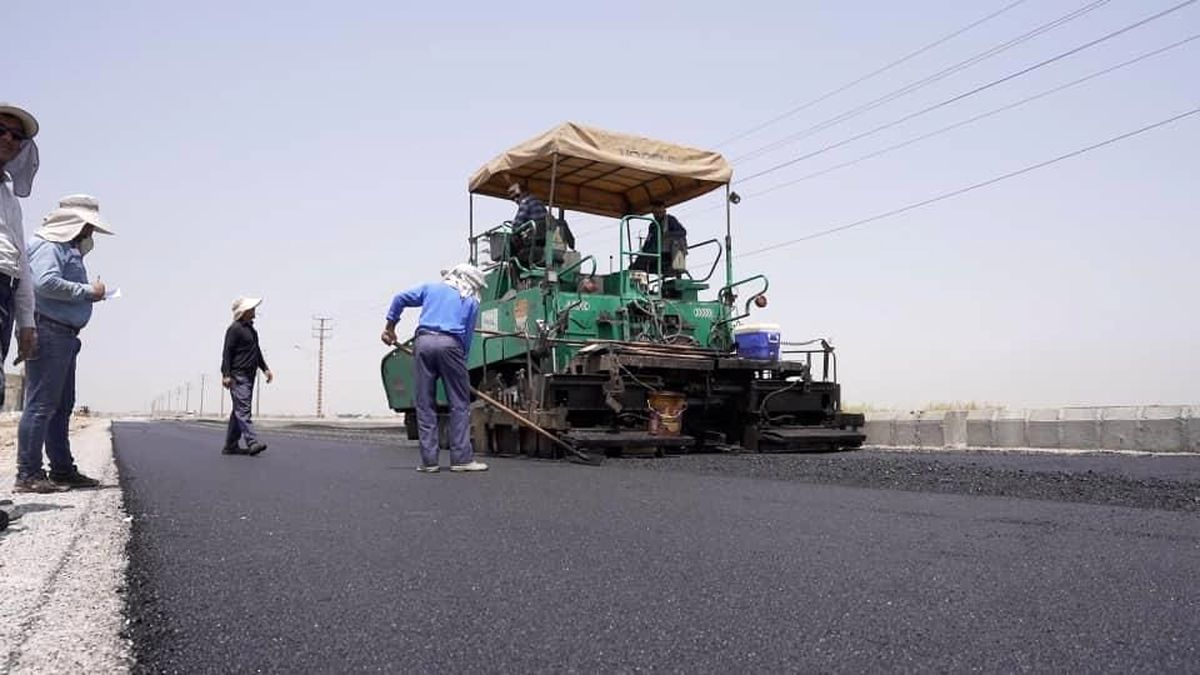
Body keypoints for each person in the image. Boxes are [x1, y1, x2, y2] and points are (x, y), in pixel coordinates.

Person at [15, 195, 115, 492]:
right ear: (76, 223)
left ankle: (61, 469)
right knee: (41, 405)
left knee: (62, 406)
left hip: (65, 334)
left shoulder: (67, 248)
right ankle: (28, 473)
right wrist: (89, 291)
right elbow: (44, 282)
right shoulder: (50, 245)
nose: (90, 233)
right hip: (49, 331)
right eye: (88, 226)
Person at [381, 264, 489, 473]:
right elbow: (466, 337)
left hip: (423, 343)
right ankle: (461, 460)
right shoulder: (471, 300)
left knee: (425, 404)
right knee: (459, 403)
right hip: (451, 346)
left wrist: (390, 328)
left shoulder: (431, 289)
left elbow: (399, 298)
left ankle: (429, 462)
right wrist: (460, 366)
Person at [0, 104, 39, 408]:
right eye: (1, 131)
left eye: (16, 136)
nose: (8, 139)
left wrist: (26, 322)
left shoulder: (10, 200)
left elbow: (20, 265)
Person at [221, 297, 273, 455]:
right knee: (243, 410)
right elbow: (227, 352)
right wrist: (226, 374)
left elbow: (256, 352)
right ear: (243, 312)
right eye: (251, 309)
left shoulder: (252, 330)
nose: (254, 311)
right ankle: (252, 442)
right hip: (238, 376)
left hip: (250, 377)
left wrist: (265, 369)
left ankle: (230, 446)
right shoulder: (234, 329)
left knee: (239, 411)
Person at [632, 200, 687, 274]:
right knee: (634, 266)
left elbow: (682, 232)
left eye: (659, 212)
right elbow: (648, 241)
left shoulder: (670, 220)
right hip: (653, 252)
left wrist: (666, 235)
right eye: (655, 213)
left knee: (637, 266)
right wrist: (642, 253)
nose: (657, 215)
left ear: (664, 211)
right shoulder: (653, 225)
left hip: (665, 253)